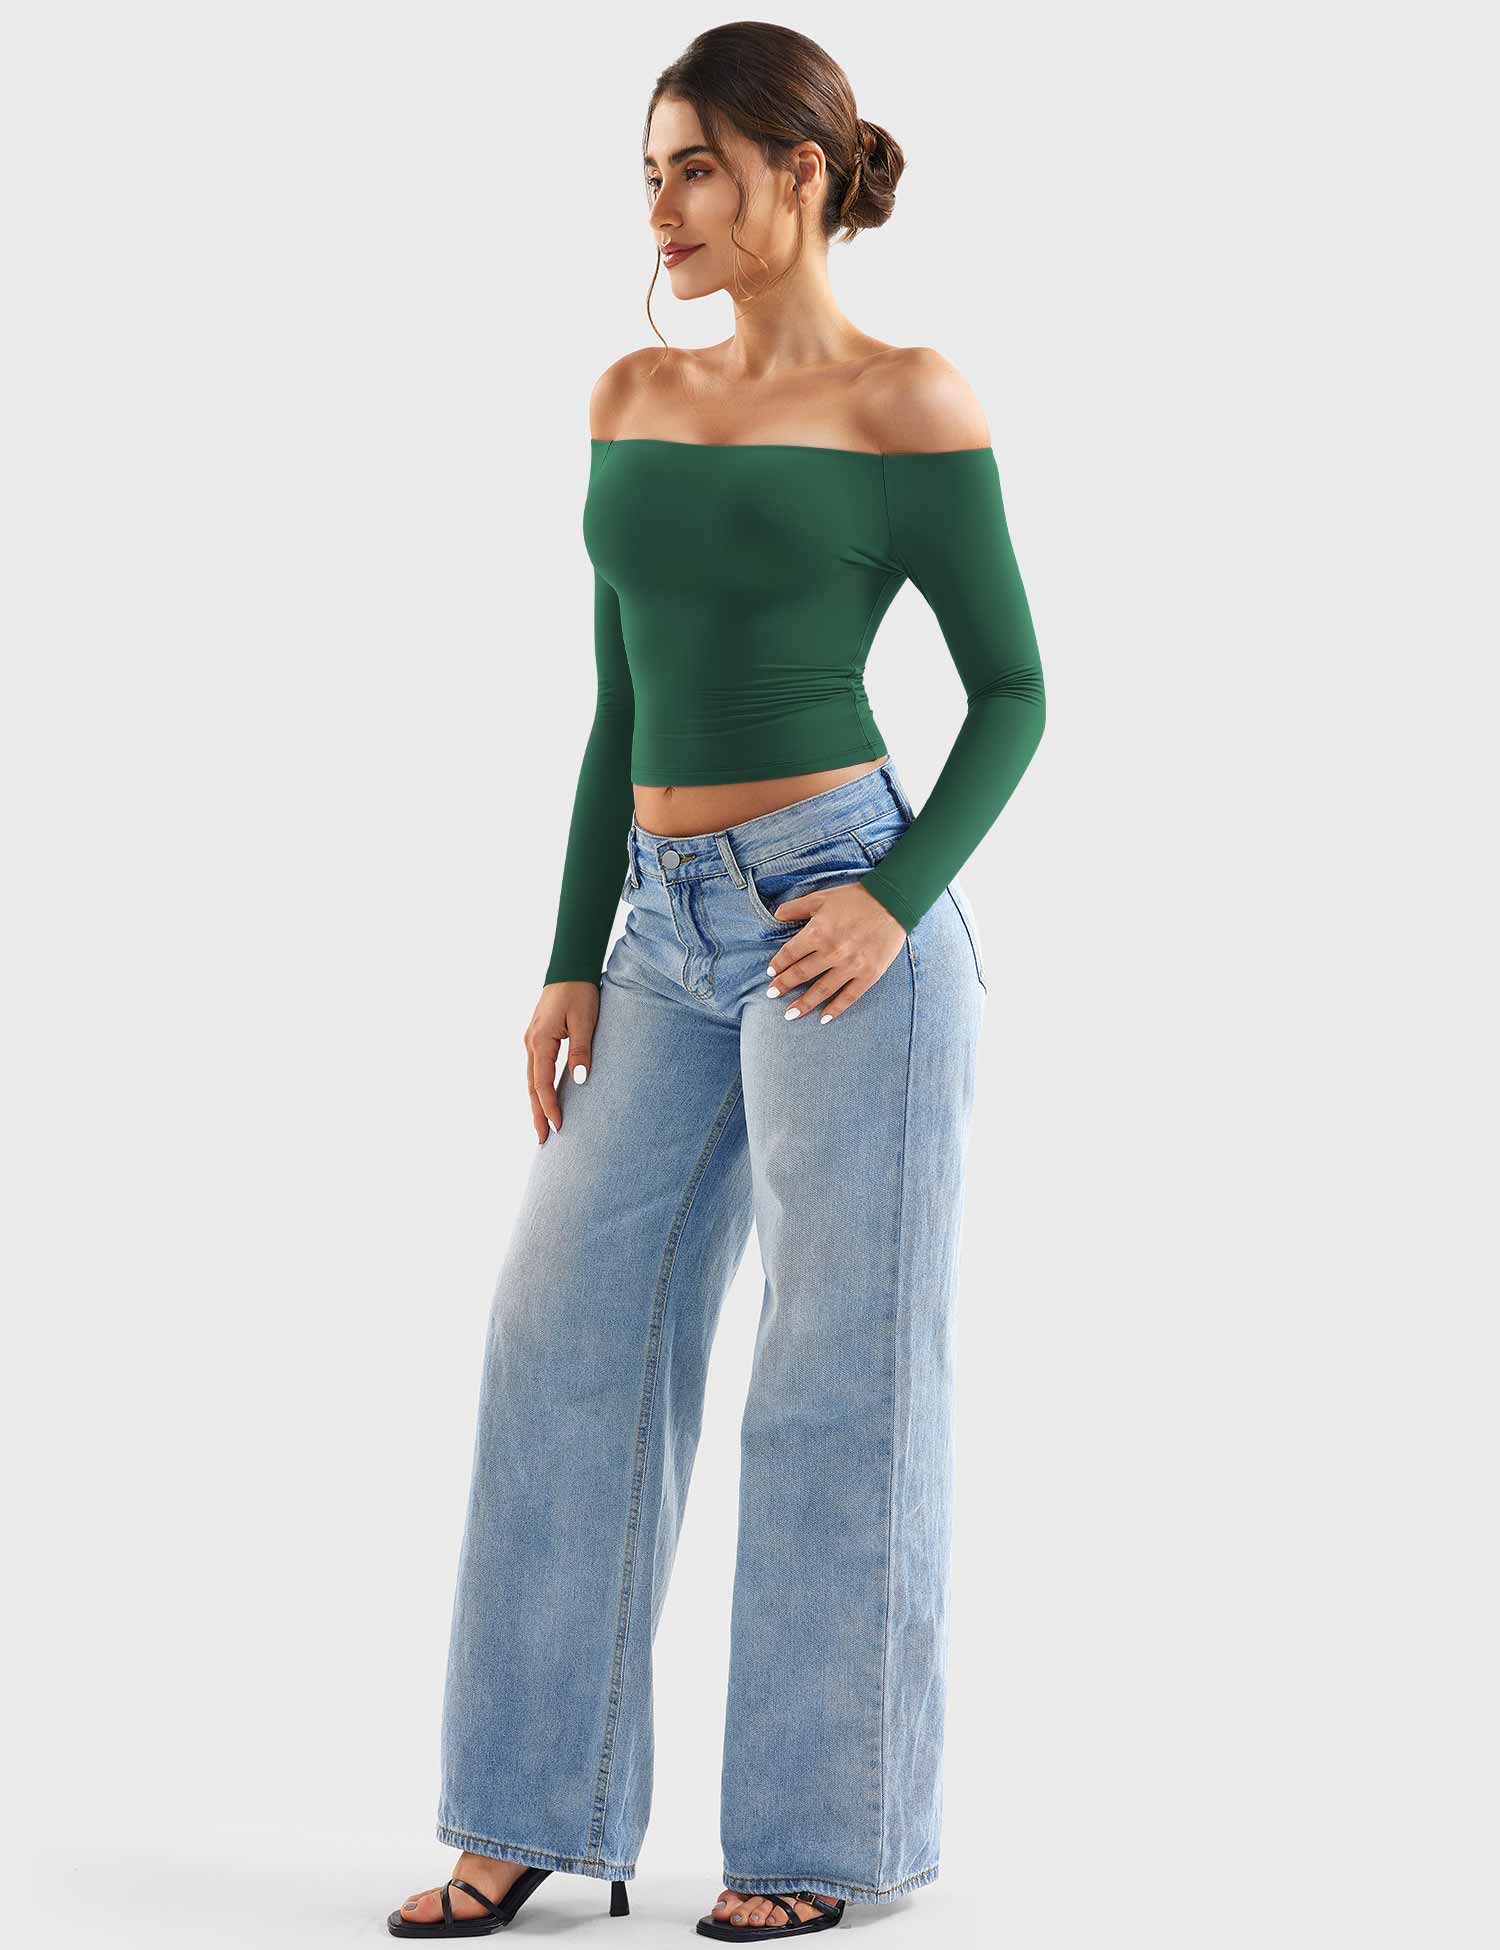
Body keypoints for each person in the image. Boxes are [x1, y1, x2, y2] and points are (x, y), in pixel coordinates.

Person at [389, 22, 1046, 1943]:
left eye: (696, 166)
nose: (663, 206)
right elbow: (620, 699)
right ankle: (530, 1807)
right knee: (559, 1336)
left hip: (845, 920)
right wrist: (569, 949)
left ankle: (818, 1839)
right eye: (650, 171)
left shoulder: (908, 399)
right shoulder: (631, 393)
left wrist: (896, 901)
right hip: (663, 932)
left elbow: (1016, 690)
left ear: (801, 174)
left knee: (836, 1380)